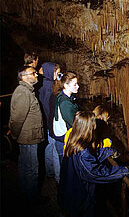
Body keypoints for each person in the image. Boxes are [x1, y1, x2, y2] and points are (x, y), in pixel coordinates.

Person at [58, 111, 129, 217]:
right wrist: (125, 170)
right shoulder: (83, 151)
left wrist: (108, 151)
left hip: (69, 190)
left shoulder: (73, 141)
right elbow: (96, 173)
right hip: (79, 199)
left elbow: (90, 157)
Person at [8, 66, 46, 203]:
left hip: (27, 135)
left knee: (25, 164)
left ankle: (25, 191)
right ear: (23, 77)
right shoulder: (23, 93)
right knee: (31, 167)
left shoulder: (26, 91)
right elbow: (17, 118)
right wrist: (14, 134)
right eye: (33, 73)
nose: (36, 74)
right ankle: (32, 196)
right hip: (28, 137)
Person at [38, 62, 61, 182]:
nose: (59, 75)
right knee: (54, 150)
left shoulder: (48, 85)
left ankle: (50, 171)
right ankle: (56, 176)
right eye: (56, 73)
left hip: (49, 123)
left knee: (50, 147)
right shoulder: (47, 89)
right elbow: (49, 109)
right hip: (52, 124)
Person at [53, 71, 79, 165]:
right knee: (66, 167)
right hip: (64, 138)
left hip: (61, 137)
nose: (78, 86)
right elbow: (73, 123)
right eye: (75, 84)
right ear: (66, 85)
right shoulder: (65, 103)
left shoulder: (65, 97)